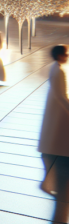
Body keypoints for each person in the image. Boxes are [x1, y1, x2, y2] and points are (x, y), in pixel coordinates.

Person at [39, 45, 69, 195]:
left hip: (53, 105)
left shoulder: (54, 68)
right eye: (65, 54)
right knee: (58, 132)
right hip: (59, 108)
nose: (67, 56)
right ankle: (48, 184)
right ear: (59, 56)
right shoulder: (59, 71)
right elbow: (62, 95)